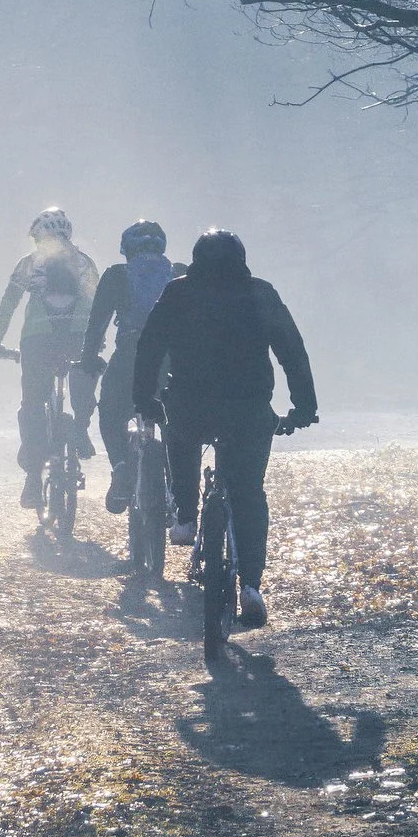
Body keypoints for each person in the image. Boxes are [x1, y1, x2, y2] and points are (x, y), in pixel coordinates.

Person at [130, 228, 317, 632]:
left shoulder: (177, 292)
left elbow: (148, 347)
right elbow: (291, 350)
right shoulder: (260, 292)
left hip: (190, 404)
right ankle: (250, 584)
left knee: (178, 437)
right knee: (248, 492)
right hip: (248, 409)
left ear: (196, 259)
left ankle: (184, 515)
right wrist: (304, 406)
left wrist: (144, 399)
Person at [0, 208, 99, 511]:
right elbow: (99, 302)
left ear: (39, 236)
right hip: (78, 338)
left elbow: (8, 304)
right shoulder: (84, 263)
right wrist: (96, 342)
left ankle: (34, 480)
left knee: (33, 403)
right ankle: (81, 430)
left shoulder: (29, 264)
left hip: (37, 340)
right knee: (82, 379)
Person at [78, 220, 177, 516]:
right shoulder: (178, 274)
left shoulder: (117, 275)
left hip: (130, 354)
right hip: (169, 357)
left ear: (126, 250)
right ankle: (176, 486)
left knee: (110, 410)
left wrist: (89, 357)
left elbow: (97, 324)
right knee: (175, 419)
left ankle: (121, 467)